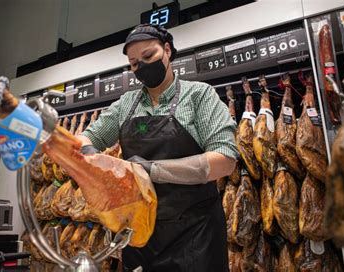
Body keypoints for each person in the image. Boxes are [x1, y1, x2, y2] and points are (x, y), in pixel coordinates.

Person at [77, 24, 238, 271]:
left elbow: (225, 160)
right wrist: (91, 158)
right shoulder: (126, 104)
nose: (142, 67)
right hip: (141, 236)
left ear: (167, 50)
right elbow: (88, 138)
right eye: (134, 64)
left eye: (148, 56)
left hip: (195, 236)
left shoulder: (199, 95)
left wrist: (151, 170)